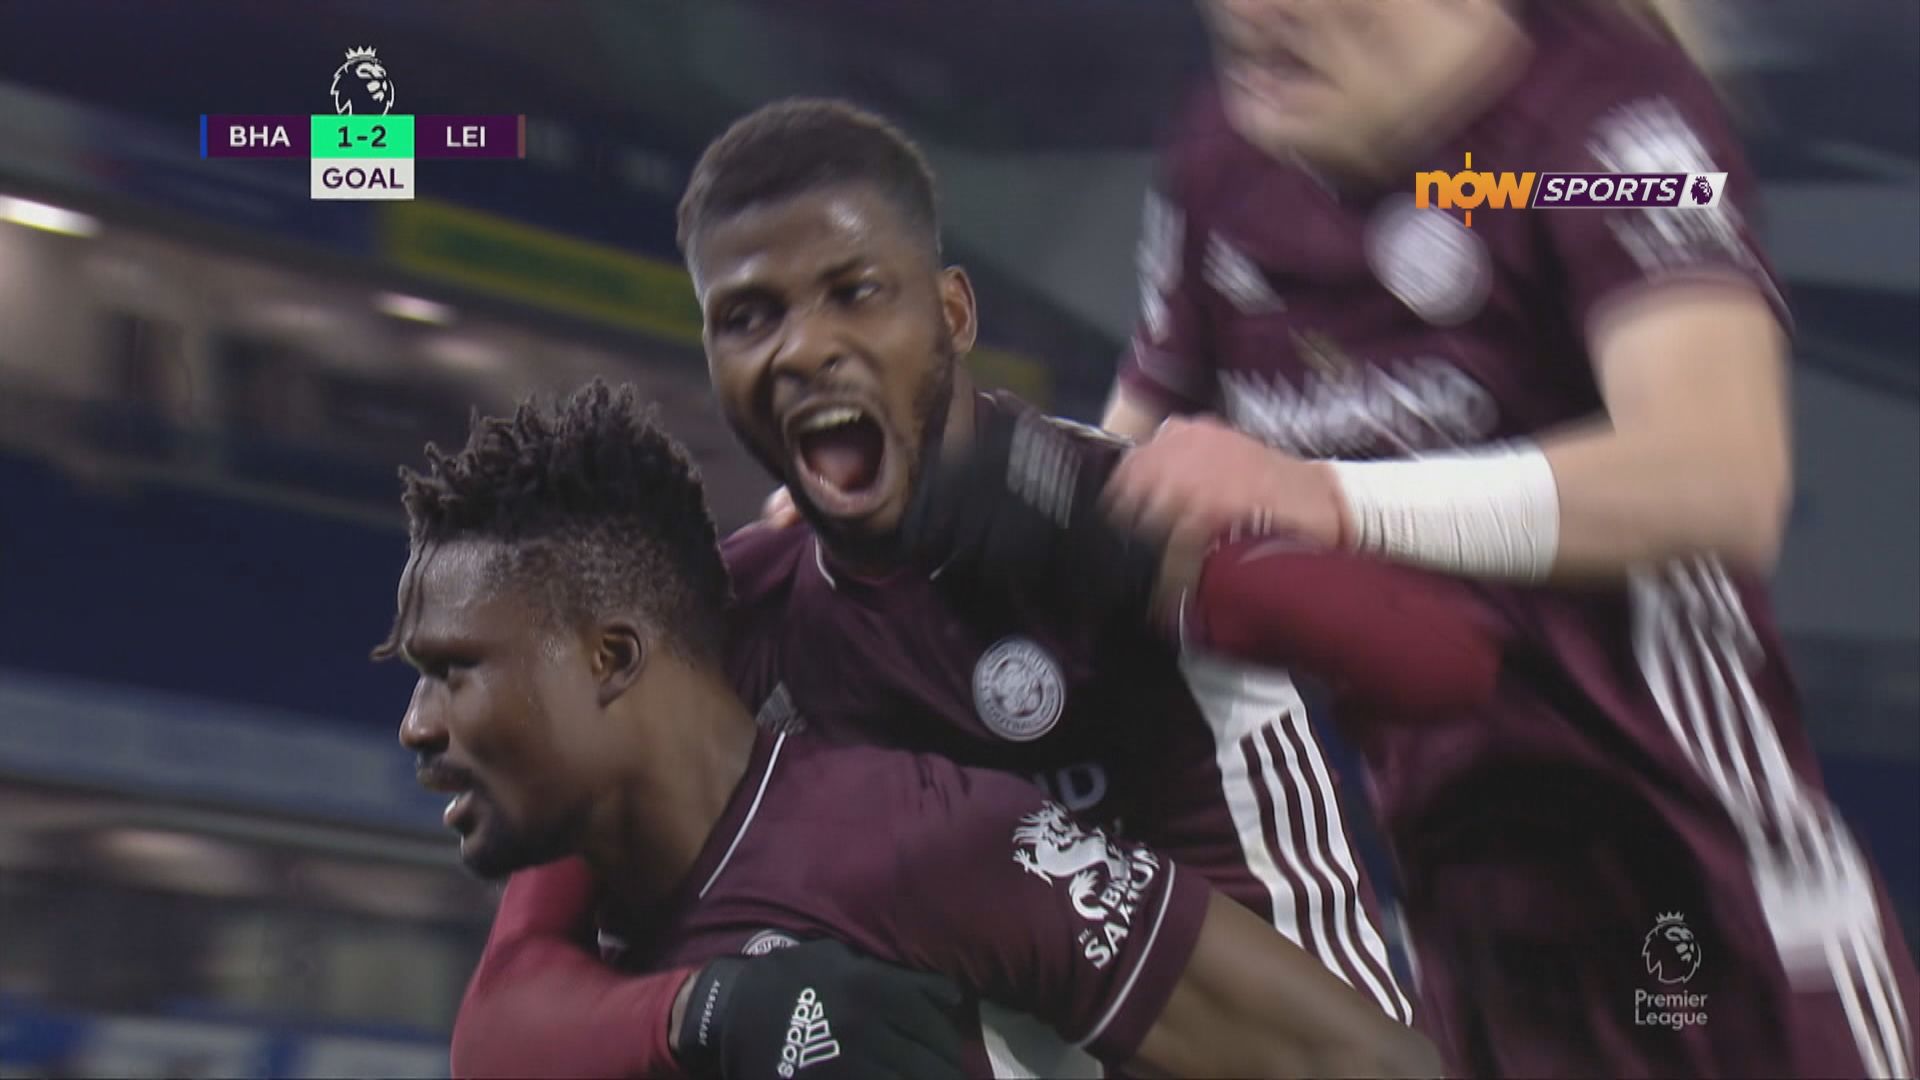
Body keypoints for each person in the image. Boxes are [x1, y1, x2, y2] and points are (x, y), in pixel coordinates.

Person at [447, 99, 1504, 1079]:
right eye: (749, 317)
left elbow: (1449, 662)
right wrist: (711, 1008)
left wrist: (1126, 550)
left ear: (951, 312)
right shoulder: (722, 620)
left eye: (855, 293)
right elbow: (502, 1019)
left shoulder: (1123, 506)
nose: (805, 349)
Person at [1091, 1, 1917, 1076]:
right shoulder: (1221, 166)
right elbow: (1124, 484)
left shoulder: (1598, 129)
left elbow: (1720, 472)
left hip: (1713, 919)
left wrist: (1328, 498)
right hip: (1468, 941)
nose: (1248, 12)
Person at [381, 381, 1443, 1079]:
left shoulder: (926, 841)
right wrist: (719, 1011)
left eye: (451, 672)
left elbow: (1363, 1062)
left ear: (612, 659)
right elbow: (492, 1038)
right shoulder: (597, 875)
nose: (416, 725)